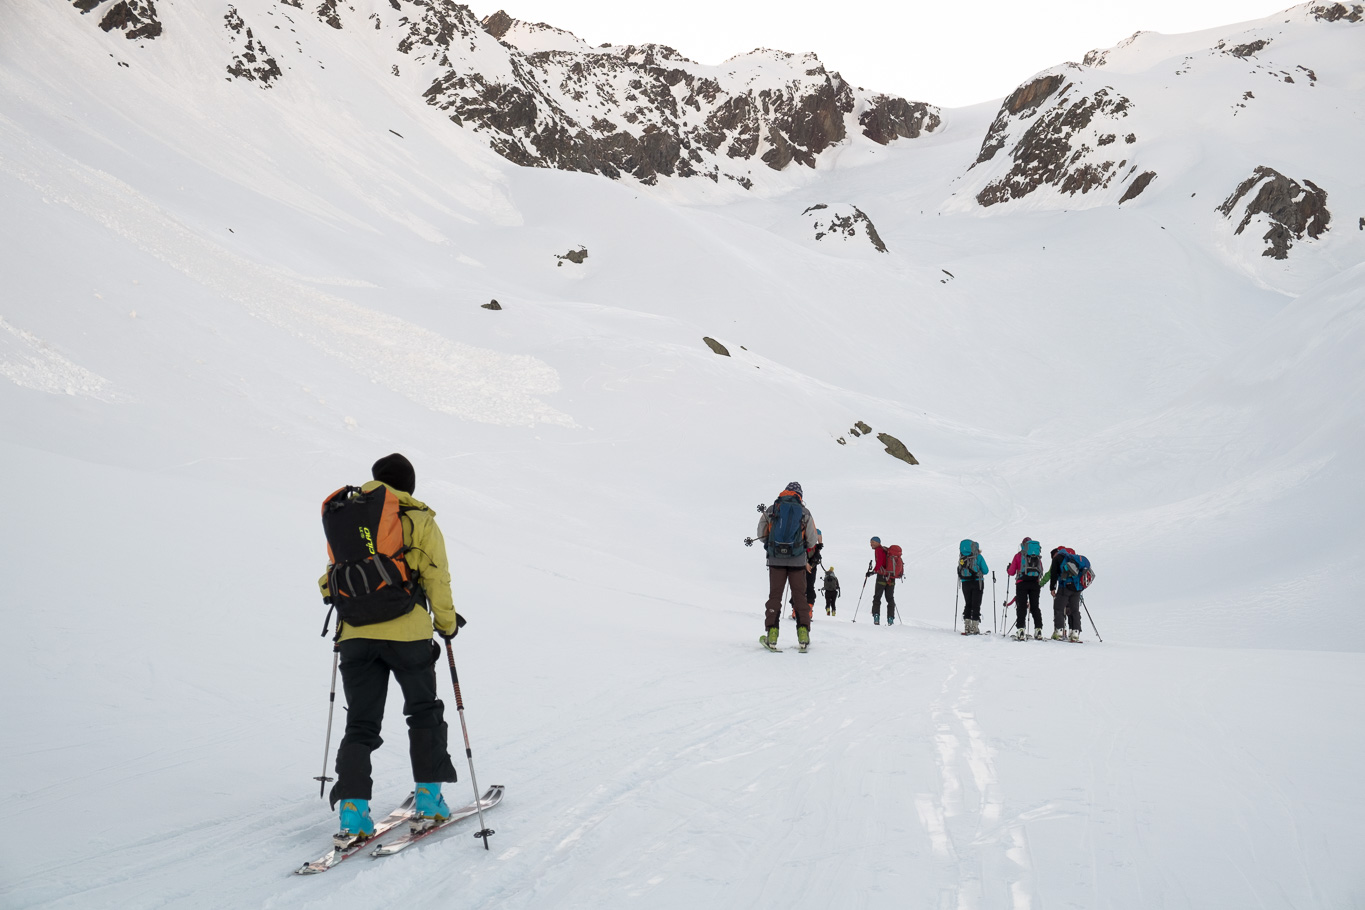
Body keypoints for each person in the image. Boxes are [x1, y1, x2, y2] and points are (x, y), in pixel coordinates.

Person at [319, 453, 461, 841]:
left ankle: (353, 811)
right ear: (408, 485)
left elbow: (328, 579)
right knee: (423, 712)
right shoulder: (417, 518)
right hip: (408, 634)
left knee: (360, 723)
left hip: (355, 635)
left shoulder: (347, 517)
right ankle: (430, 802)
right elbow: (436, 575)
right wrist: (446, 624)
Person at [754, 482, 818, 651]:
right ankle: (803, 633)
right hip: (797, 560)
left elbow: (761, 534)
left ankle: (772, 634)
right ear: (800, 495)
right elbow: (812, 540)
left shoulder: (772, 509)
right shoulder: (805, 512)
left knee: (775, 596)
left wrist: (770, 544)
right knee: (800, 597)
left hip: (775, 560)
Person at [1006, 537, 1045, 639]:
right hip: (1035, 583)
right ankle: (1038, 630)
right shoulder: (1037, 556)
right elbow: (1041, 570)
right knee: (1035, 607)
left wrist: (1008, 568)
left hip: (1021, 583)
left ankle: (1021, 630)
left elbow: (1011, 572)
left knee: (1021, 606)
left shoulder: (1019, 556)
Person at [1048, 546, 1085, 641]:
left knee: (1059, 608)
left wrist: (1052, 588)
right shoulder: (1073, 558)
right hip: (1077, 588)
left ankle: (1059, 632)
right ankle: (1075, 633)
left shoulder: (1057, 558)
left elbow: (1053, 574)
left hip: (1065, 587)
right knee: (1075, 610)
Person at [957, 539, 988, 634]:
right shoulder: (978, 557)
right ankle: (974, 626)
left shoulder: (962, 557)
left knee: (968, 603)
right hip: (977, 582)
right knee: (976, 604)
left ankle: (967, 626)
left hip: (965, 583)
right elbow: (986, 570)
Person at [867, 537, 898, 626]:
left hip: (882, 577)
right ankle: (890, 619)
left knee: (877, 597)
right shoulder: (885, 550)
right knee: (890, 598)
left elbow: (880, 562)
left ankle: (876, 616)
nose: (871, 544)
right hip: (891, 577)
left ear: (878, 542)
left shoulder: (878, 550)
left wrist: (873, 572)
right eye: (870, 542)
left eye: (873, 542)